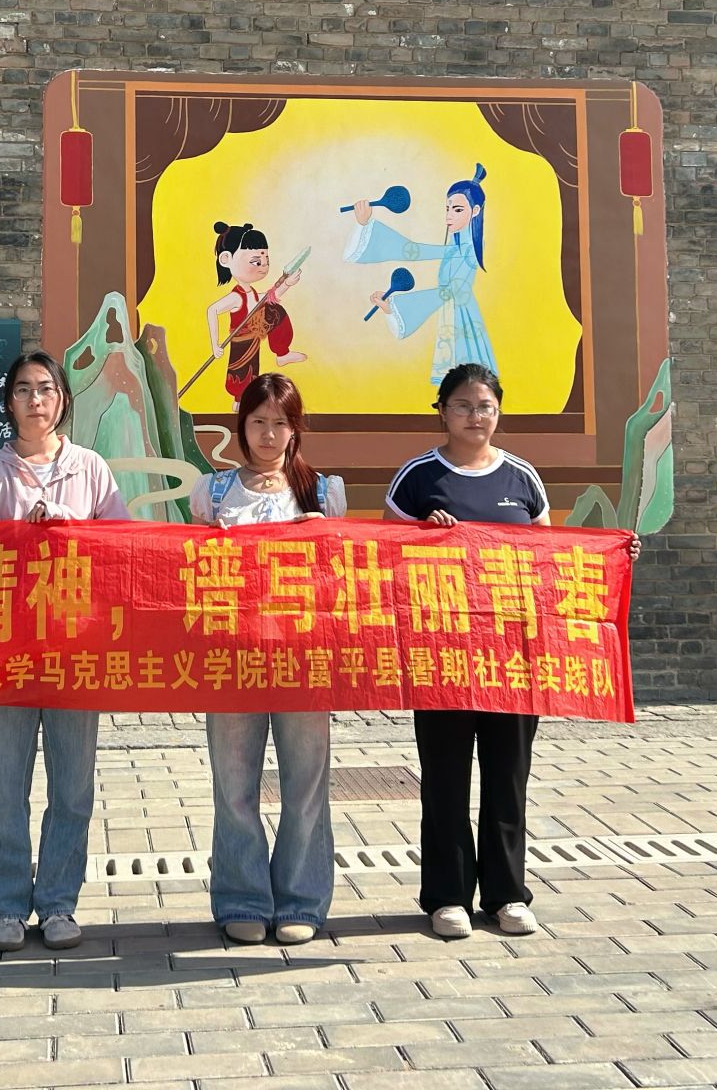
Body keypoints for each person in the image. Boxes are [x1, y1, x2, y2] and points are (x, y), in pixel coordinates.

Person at [0, 350, 131, 953]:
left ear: (62, 398)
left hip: (74, 650)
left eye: (46, 389)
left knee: (73, 786)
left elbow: (122, 548)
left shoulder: (91, 468)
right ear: (8, 402)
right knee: (4, 788)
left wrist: (71, 530)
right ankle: (8, 907)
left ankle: (59, 902)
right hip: (8, 652)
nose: (35, 400)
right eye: (23, 390)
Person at [384, 362, 547, 940]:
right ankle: (447, 896)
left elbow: (550, 559)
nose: (475, 416)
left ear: (498, 411)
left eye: (485, 406)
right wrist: (421, 536)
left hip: (511, 657)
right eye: (462, 405)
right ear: (442, 412)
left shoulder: (523, 478)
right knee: (445, 780)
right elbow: (384, 559)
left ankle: (507, 895)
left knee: (508, 778)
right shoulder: (417, 478)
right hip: (442, 656)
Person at [187, 373, 343, 946]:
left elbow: (345, 578)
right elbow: (184, 574)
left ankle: (301, 899)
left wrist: (326, 539)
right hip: (232, 659)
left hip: (304, 658)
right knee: (234, 786)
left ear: (296, 428)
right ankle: (242, 898)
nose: (269, 434)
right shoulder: (212, 492)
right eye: (259, 422)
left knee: (306, 785)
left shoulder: (323, 492)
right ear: (242, 426)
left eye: (281, 422)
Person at [348, 163, 496, 386]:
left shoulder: (466, 249)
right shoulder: (456, 246)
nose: (449, 216)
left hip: (460, 315)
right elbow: (415, 251)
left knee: (467, 381)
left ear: (475, 211)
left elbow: (447, 288)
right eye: (447, 208)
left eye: (457, 210)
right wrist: (366, 225)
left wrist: (393, 308)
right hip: (452, 311)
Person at [207, 221, 306, 401]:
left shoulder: (251, 293)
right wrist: (215, 345)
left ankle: (282, 353)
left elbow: (269, 297)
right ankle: (239, 400)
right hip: (242, 341)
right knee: (241, 374)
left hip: (255, 336)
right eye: (256, 261)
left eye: (266, 261)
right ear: (226, 259)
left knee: (275, 310)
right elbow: (212, 310)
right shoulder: (236, 297)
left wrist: (287, 284)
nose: (263, 266)